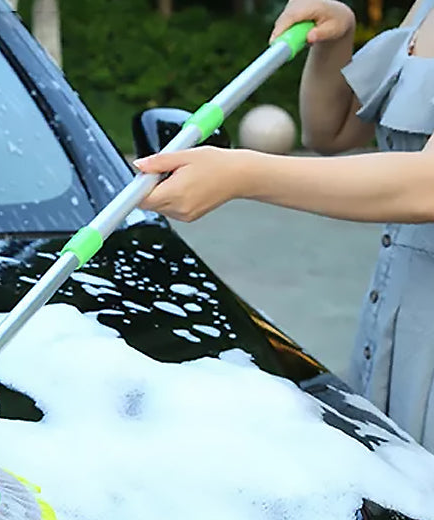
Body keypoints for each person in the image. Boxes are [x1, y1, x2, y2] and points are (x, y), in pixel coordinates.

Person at [134, 0, 434, 451]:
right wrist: (337, 41)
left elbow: (425, 186)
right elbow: (329, 132)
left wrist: (242, 175)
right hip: (395, 328)